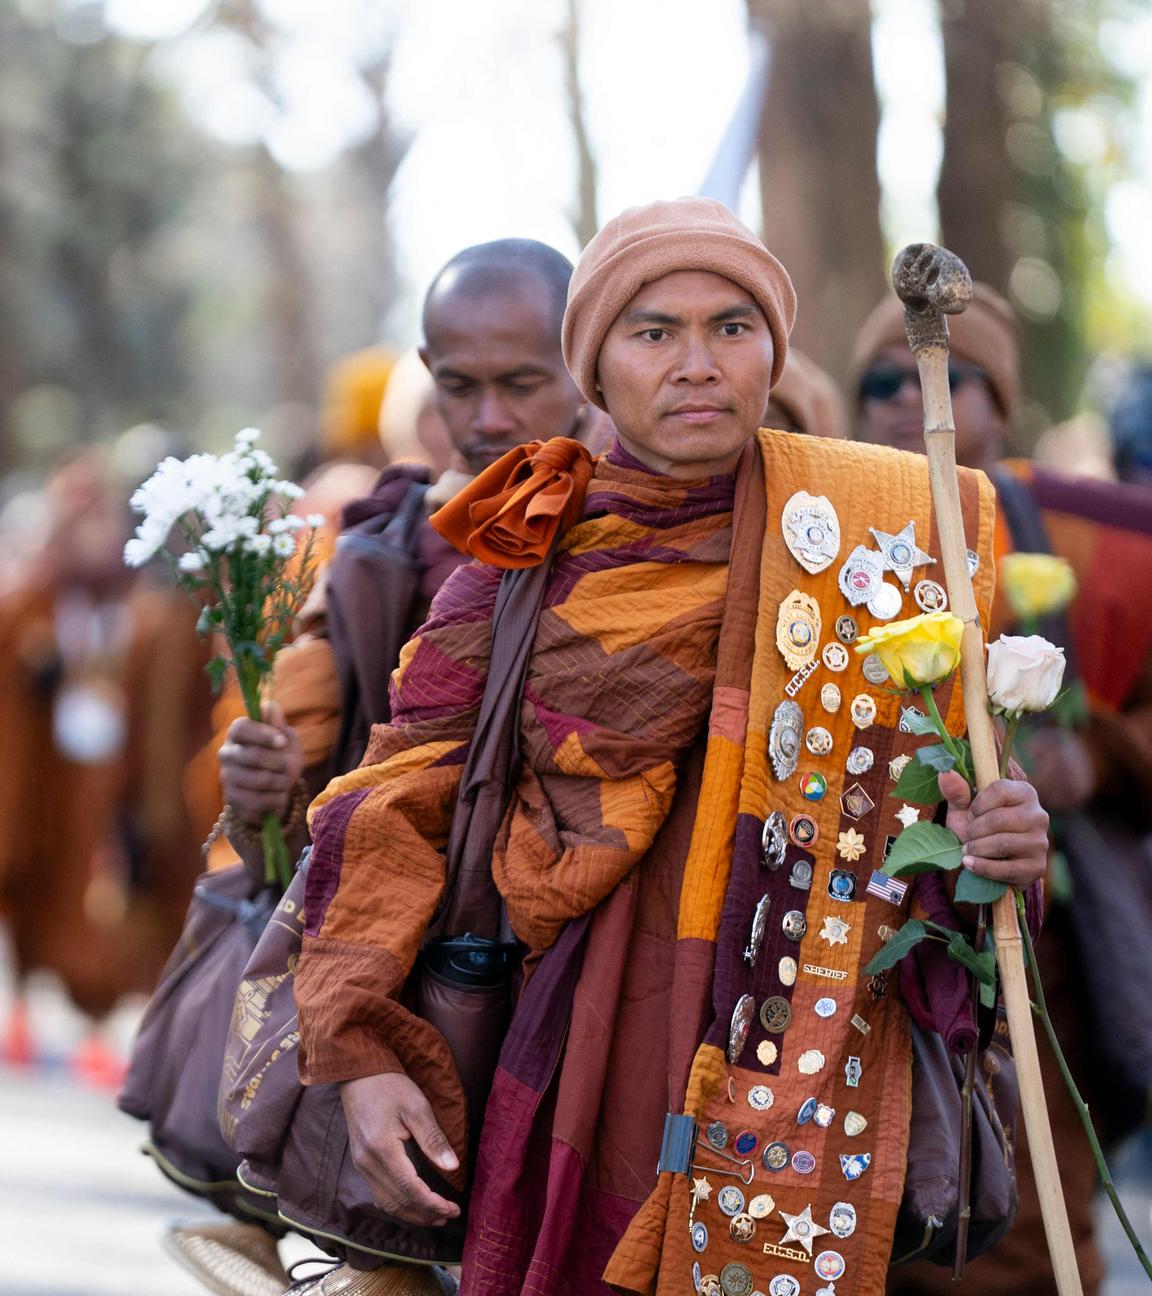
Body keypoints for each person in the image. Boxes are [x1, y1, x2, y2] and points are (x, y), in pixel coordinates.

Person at [291, 198, 1050, 1296]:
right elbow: (394, 796)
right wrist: (357, 1051)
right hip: (574, 1052)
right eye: (654, 332)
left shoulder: (873, 540)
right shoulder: (521, 559)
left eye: (732, 327)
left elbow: (944, 800)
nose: (697, 364)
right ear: (595, 367)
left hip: (804, 1061)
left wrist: (999, 840)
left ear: (772, 352)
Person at [165, 239, 593, 1296]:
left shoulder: (642, 533)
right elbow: (342, 760)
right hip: (409, 951)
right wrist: (269, 785)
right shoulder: (386, 543)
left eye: (522, 382)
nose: (490, 417)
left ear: (589, 360)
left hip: (581, 958)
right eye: (461, 387)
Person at [853, 285, 1152, 1296]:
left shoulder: (1092, 543)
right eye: (881, 381)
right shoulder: (837, 527)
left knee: (1017, 1224)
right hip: (865, 942)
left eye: (941, 376)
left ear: (1001, 400)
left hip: (1035, 951)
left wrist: (1098, 755)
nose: (905, 399)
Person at [0, 451, 211, 1068]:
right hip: (47, 791)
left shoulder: (155, 609)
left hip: (120, 790)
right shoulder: (28, 608)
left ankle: (127, 1030)